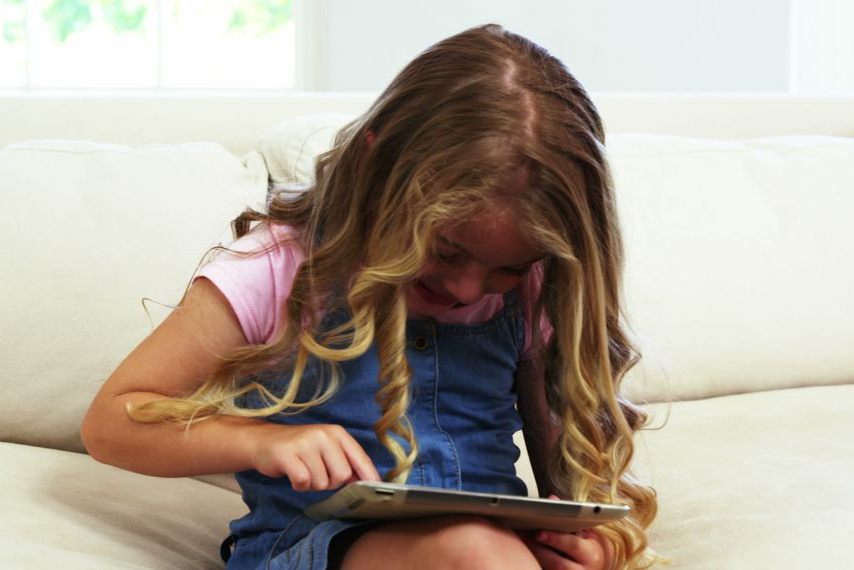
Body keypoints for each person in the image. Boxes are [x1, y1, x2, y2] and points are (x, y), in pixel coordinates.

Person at [81, 23, 657, 569]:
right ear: (376, 165)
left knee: (480, 550)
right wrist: (256, 442)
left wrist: (590, 544)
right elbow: (110, 424)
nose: (466, 289)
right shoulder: (279, 269)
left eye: (508, 268)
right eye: (447, 250)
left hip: (492, 551)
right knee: (473, 552)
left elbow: (572, 486)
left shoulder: (532, 294)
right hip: (308, 549)